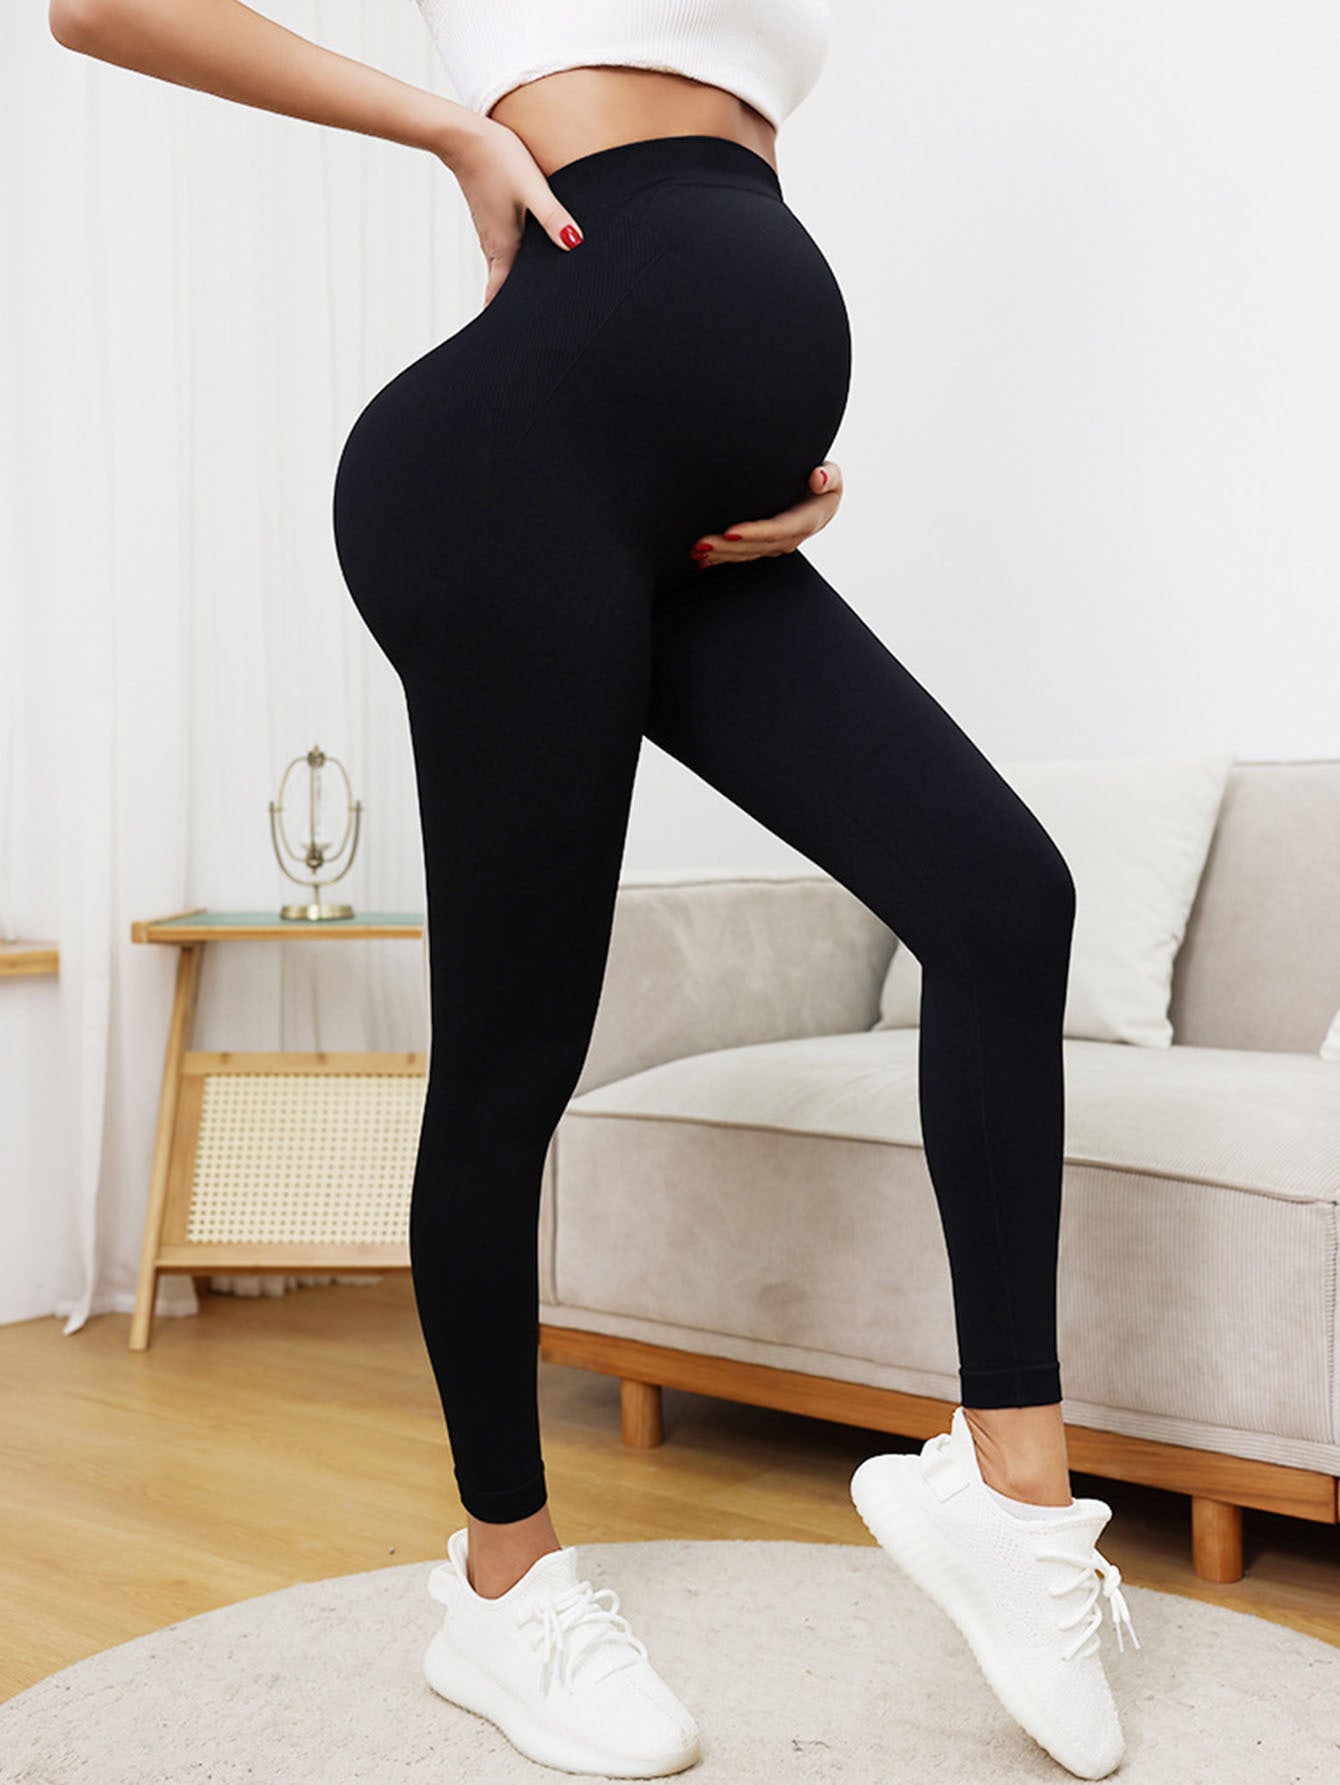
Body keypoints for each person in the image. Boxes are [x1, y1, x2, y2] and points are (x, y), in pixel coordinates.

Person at [50, 2, 1139, 1777]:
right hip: (509, 476)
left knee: (1006, 900)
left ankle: (1013, 1500)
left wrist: (766, 446)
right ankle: (504, 1582)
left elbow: (710, 201)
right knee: (513, 1061)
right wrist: (449, 132)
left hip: (685, 514)